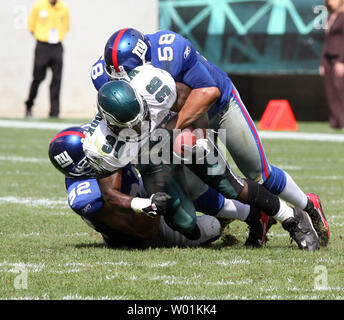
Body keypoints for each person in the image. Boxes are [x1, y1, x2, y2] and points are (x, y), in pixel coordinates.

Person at [95, 27, 330, 247]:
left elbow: (208, 92)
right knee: (197, 191)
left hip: (219, 106)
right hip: (180, 122)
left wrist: (168, 131)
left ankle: (308, 206)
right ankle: (257, 216)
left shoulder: (170, 50)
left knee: (258, 173)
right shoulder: (107, 77)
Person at [48, 124, 224, 248]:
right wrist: (149, 202)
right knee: (212, 226)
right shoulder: (89, 196)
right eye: (90, 149)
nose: (98, 146)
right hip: (145, 228)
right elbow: (143, 231)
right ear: (84, 166)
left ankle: (225, 206)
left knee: (186, 169)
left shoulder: (88, 166)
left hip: (142, 198)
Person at [25, 0, 69, 118]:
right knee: (37, 78)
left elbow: (66, 26)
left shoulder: (63, 7)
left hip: (57, 46)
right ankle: (29, 104)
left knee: (57, 80)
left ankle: (54, 112)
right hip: (42, 46)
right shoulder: (38, 6)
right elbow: (31, 26)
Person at [320, 0, 344, 130]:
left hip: (338, 59)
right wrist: (322, 63)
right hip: (328, 59)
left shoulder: (343, 17)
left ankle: (343, 121)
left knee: (340, 91)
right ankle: (335, 122)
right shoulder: (329, 17)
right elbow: (326, 41)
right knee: (330, 92)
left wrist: (341, 60)